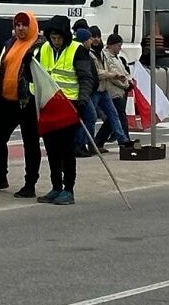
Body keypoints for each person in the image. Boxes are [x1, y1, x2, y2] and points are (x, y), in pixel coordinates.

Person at [0, 12, 42, 198]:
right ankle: (0, 177)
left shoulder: (38, 47)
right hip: (6, 101)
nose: (21, 28)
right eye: (17, 25)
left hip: (27, 103)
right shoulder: (10, 44)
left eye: (24, 24)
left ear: (32, 25)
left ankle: (30, 183)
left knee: (30, 143)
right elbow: (2, 69)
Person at [35, 16, 86, 205]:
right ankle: (56, 186)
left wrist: (82, 101)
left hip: (68, 105)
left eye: (59, 38)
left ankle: (68, 189)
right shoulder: (43, 50)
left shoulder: (77, 50)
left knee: (67, 151)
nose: (56, 41)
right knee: (52, 150)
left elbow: (86, 77)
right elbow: (37, 76)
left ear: (65, 36)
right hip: (48, 106)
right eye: (53, 37)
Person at [90, 27, 134, 151]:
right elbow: (107, 73)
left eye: (98, 36)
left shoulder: (112, 56)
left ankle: (118, 140)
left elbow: (122, 72)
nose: (97, 39)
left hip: (109, 90)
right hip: (108, 90)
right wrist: (124, 84)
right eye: (119, 45)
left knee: (113, 117)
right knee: (116, 117)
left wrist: (128, 81)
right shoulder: (99, 55)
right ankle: (123, 141)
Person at [72, 26, 99, 157]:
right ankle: (80, 143)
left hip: (84, 92)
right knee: (90, 117)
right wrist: (83, 96)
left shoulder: (85, 52)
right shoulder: (81, 52)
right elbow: (84, 75)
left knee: (86, 117)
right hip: (81, 92)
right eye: (89, 39)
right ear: (84, 40)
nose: (91, 42)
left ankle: (81, 143)